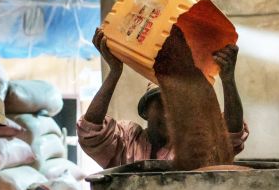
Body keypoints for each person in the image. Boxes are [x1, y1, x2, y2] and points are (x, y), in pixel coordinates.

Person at [78, 28, 248, 169]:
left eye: (177, 106)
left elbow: (230, 136)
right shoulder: (128, 140)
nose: (169, 114)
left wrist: (228, 80)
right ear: (145, 110)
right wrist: (114, 72)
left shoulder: (199, 147)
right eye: (161, 105)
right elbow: (90, 132)